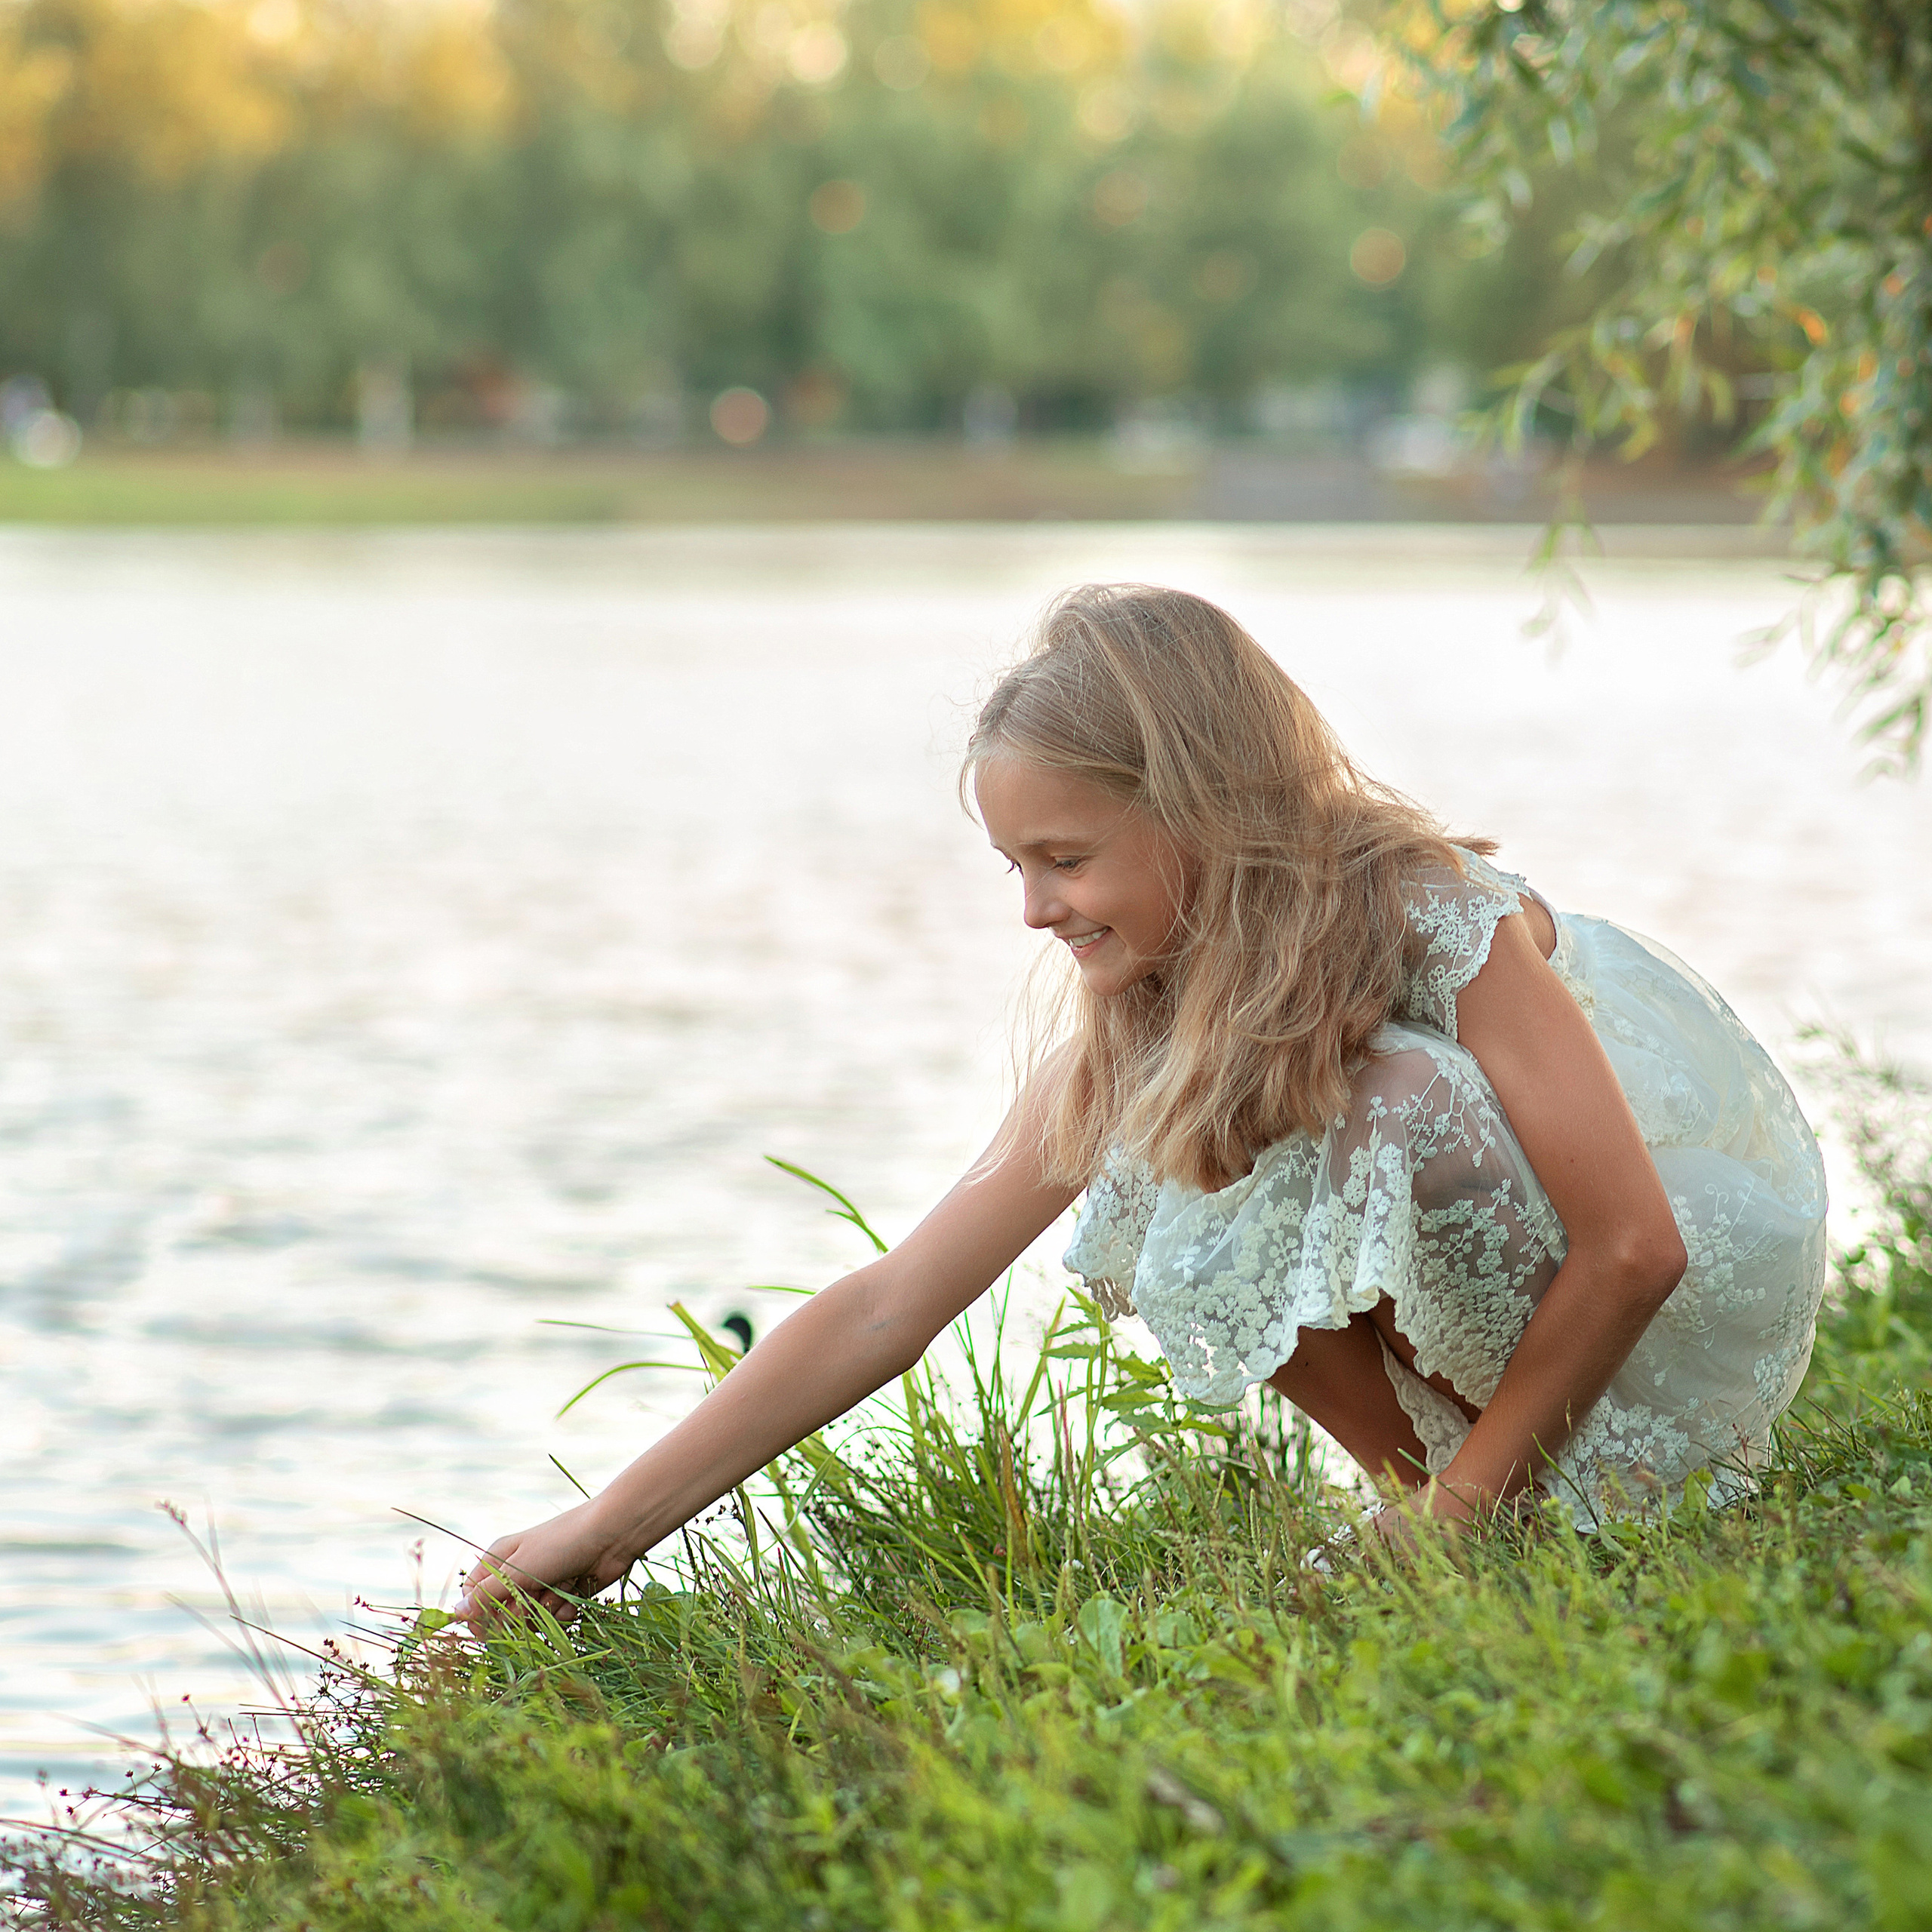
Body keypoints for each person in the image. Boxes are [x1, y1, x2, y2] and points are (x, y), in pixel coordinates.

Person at [457, 584, 1828, 1623]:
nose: (1039, 910)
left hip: (1662, 1311)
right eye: (1016, 869)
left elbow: (1637, 1247)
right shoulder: (1153, 1018)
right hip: (1520, 1334)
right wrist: (609, 1529)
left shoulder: (1432, 913)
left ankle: (1470, 1513)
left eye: (1065, 859)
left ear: (1206, 812)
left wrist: (1469, 1513)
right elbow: (892, 1301)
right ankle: (1438, 1504)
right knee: (1182, 1147)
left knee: (1385, 1093)